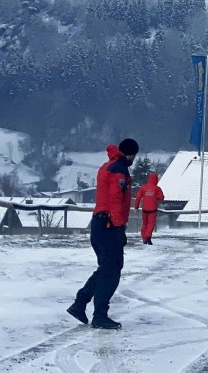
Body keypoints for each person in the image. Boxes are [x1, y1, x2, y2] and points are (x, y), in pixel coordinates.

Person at [68, 138, 138, 330]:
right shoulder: (119, 170)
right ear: (131, 154)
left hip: (100, 223)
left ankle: (80, 303)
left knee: (106, 268)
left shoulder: (109, 166)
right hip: (108, 225)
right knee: (112, 271)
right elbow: (116, 200)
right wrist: (118, 228)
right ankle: (99, 314)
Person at [134, 172, 164, 245]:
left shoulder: (143, 188)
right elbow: (161, 197)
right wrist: (155, 198)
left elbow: (138, 198)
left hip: (144, 209)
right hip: (153, 209)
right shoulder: (157, 188)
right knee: (151, 224)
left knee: (144, 224)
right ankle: (148, 237)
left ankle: (144, 238)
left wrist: (136, 207)